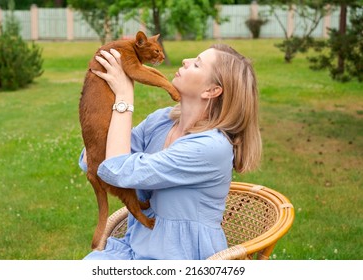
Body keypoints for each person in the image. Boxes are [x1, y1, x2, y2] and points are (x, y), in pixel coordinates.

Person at [79, 44, 262, 260]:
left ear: (211, 91)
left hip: (180, 257)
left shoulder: (210, 148)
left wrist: (124, 99)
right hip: (134, 248)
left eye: (196, 64)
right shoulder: (162, 121)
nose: (185, 60)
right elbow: (93, 161)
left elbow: (116, 171)